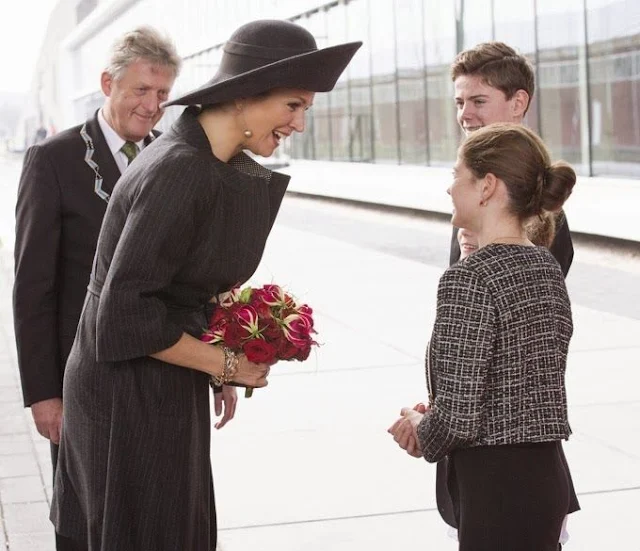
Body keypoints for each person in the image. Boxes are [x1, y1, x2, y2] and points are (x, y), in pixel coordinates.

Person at [49, 19, 361, 550]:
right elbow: (125, 314)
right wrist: (227, 364)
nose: (300, 124)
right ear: (244, 96)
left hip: (152, 386)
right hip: (128, 399)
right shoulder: (181, 168)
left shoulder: (207, 159)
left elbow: (177, 286)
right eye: (293, 105)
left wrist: (219, 351)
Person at [13, 26, 180, 551]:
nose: (152, 106)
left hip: (158, 375)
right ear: (108, 83)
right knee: (85, 522)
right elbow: (32, 286)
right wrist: (43, 393)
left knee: (153, 515)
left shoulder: (172, 160)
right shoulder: (54, 161)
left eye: (162, 95)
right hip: (80, 378)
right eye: (141, 91)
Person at [389, 123, 577, 550]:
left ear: (487, 186)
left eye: (457, 175)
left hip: (495, 487)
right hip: (546, 478)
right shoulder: (546, 268)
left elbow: (457, 417)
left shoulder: (470, 279)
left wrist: (421, 425)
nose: (450, 188)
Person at [448, 41, 574, 276]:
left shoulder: (544, 209)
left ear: (518, 103)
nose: (464, 114)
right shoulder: (468, 191)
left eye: (479, 101)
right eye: (459, 103)